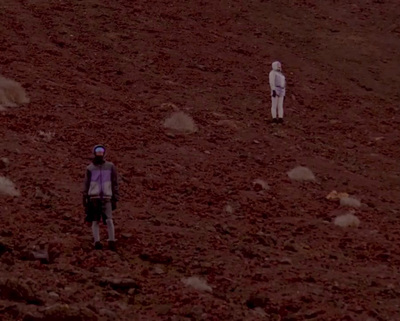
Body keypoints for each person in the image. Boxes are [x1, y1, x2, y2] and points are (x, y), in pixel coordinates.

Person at [83, 145, 119, 251]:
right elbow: (86, 183)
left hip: (107, 197)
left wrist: (115, 197)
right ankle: (97, 241)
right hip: (94, 197)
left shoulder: (110, 166)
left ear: (104, 153)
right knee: (95, 220)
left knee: (109, 220)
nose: (99, 153)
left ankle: (111, 241)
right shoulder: (90, 168)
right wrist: (85, 197)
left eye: (101, 151)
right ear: (94, 153)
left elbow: (114, 182)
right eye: (97, 151)